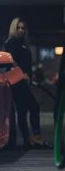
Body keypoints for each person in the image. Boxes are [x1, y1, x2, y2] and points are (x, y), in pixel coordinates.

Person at [5, 17, 51, 148]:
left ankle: (28, 140)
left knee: (23, 110)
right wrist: (21, 73)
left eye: (23, 28)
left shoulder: (23, 44)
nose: (21, 30)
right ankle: (34, 137)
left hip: (24, 82)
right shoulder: (11, 43)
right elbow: (11, 60)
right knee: (32, 107)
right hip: (17, 81)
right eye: (18, 28)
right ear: (14, 28)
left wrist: (29, 76)